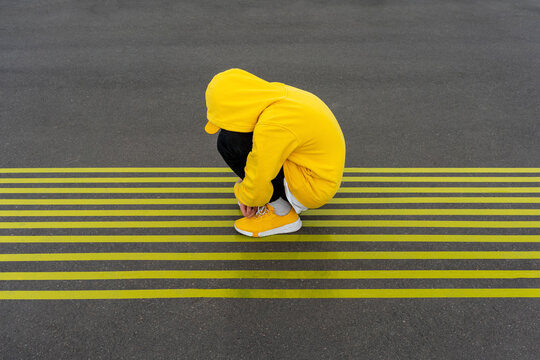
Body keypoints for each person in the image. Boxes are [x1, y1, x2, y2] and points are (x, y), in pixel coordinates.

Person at [204, 68, 346, 237]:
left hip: (312, 188)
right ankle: (274, 198)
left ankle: (282, 214)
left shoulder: (273, 125)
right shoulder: (275, 96)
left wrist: (245, 194)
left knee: (229, 141)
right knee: (244, 141)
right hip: (317, 172)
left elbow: (260, 171)